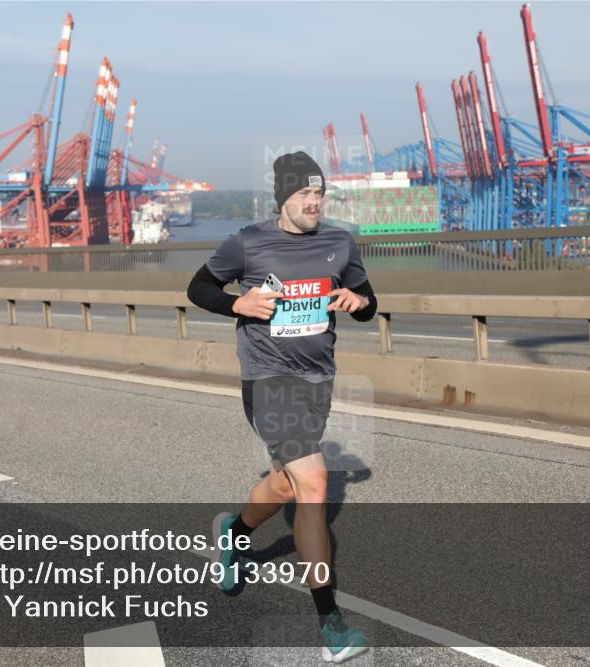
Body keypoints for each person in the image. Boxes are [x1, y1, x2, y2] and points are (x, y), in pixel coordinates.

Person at [187, 151, 377, 663]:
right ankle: (331, 627)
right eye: (304, 194)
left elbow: (367, 301)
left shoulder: (340, 243)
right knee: (313, 483)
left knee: (286, 483)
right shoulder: (247, 243)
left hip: (318, 380)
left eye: (320, 194)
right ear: (283, 198)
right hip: (267, 379)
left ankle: (234, 533)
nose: (314, 202)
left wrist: (359, 303)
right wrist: (236, 303)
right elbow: (198, 287)